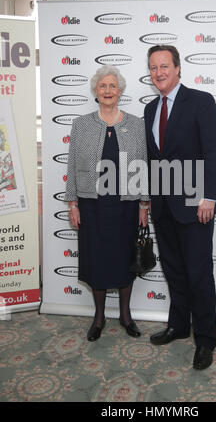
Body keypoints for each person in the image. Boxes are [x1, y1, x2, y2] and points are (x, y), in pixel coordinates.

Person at [144, 45, 216, 370]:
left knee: (198, 274)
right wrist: (146, 199)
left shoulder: (201, 101)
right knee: (174, 271)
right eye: (153, 68)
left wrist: (209, 196)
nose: (158, 72)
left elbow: (214, 150)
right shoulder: (150, 109)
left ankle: (205, 340)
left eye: (164, 66)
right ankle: (179, 326)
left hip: (195, 204)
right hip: (163, 206)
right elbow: (151, 160)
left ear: (177, 68)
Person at [65, 65, 149, 342]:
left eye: (113, 86)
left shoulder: (136, 124)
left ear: (120, 91)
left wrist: (143, 205)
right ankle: (99, 317)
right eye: (103, 86)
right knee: (96, 261)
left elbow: (142, 166)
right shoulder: (81, 124)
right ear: (96, 91)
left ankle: (126, 316)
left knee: (126, 260)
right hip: (92, 206)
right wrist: (72, 203)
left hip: (125, 205)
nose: (108, 91)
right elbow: (73, 165)